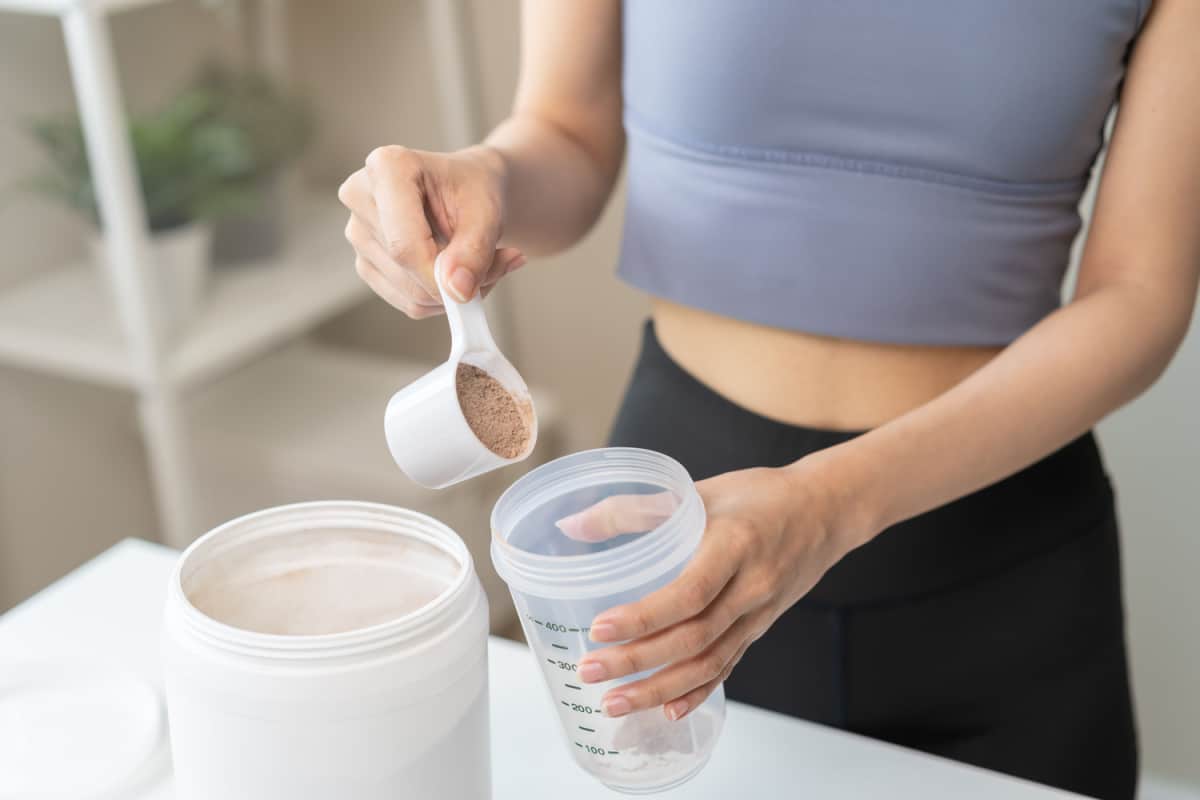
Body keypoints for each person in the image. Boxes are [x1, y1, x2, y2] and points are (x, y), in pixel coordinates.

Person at [337, 3, 1200, 797]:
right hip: (671, 543)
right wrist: (485, 178)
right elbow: (566, 133)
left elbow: (1140, 293)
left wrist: (830, 503)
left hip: (998, 549)